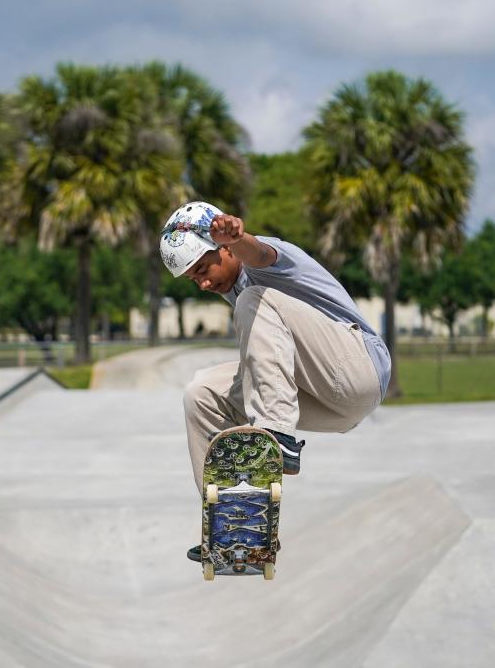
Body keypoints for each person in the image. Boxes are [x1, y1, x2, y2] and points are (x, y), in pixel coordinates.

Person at [159, 201, 392, 563]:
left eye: (204, 269)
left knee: (252, 299)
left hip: (359, 367)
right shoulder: (234, 290)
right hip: (331, 406)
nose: (204, 283)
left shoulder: (275, 261)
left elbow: (260, 254)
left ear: (224, 248)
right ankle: (233, 525)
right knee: (201, 392)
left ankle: (275, 436)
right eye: (194, 279)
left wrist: (238, 239)